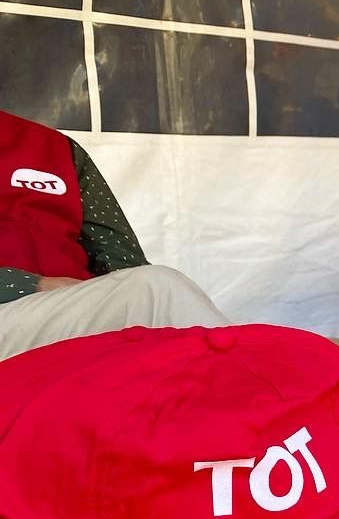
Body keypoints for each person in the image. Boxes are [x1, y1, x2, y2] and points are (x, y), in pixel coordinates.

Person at [0, 108, 228, 359]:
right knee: (156, 289)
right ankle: (249, 379)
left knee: (155, 293)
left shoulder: (54, 148)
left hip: (69, 311)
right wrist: (31, 285)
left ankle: (246, 376)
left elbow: (123, 260)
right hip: (16, 309)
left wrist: (101, 296)